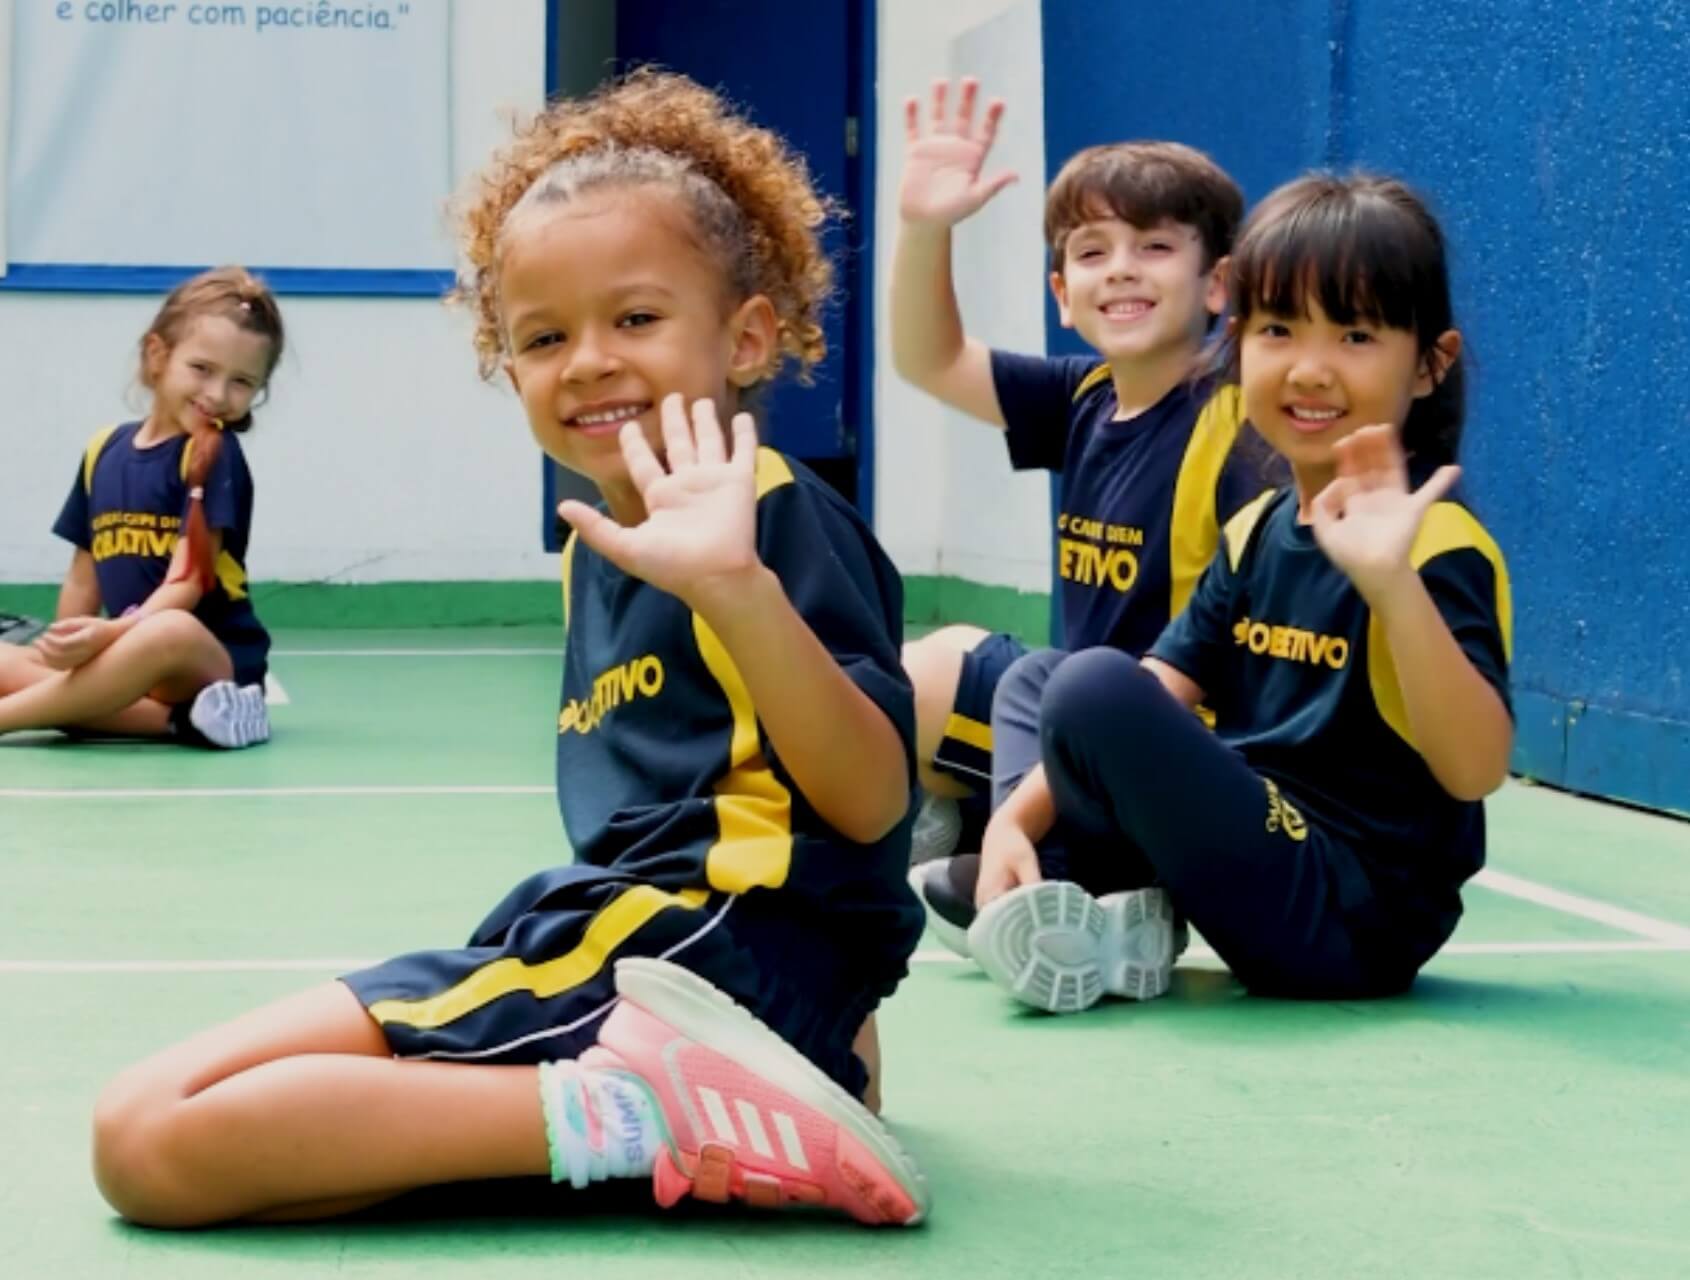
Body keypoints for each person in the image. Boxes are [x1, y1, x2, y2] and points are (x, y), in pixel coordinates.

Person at [90, 70, 929, 1228]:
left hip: (683, 951)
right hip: (630, 940)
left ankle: (659, 1115)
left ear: (745, 338)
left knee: (151, 1134)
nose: (586, 358)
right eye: (542, 335)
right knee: (166, 1124)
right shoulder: (599, 549)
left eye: (635, 318)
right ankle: (706, 1108)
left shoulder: (771, 511)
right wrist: (831, 1043)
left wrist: (737, 591)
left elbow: (871, 797)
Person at [967, 174, 1513, 1014]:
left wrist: (1391, 588)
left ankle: (1072, 896)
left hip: (1349, 911)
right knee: (1040, 678)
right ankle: (1063, 892)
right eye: (1278, 330)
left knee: (1089, 686)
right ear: (1238, 346)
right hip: (1255, 837)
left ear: (1429, 364)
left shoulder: (1436, 543)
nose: (1310, 368)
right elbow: (1164, 683)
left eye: (1357, 334)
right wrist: (1014, 819)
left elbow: (1474, 770)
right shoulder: (1258, 525)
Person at [890, 79, 1260, 947]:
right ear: (1062, 291)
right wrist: (925, 226)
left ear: (1218, 285)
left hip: (1176, 737)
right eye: (1093, 253)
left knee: (1043, 681)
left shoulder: (1238, 420)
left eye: (1155, 246)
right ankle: (980, 828)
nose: (1122, 268)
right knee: (912, 675)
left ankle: (1062, 881)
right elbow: (928, 357)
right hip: (1069, 723)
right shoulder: (1086, 397)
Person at [0, 267, 281, 748]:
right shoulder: (103, 450)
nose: (217, 394)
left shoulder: (214, 456)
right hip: (129, 661)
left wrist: (109, 637)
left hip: (204, 659)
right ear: (158, 356)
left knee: (169, 629)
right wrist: (68, 648)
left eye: (241, 382)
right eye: (202, 369)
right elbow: (82, 578)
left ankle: (19, 714)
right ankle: (182, 722)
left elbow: (187, 584)